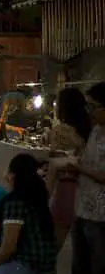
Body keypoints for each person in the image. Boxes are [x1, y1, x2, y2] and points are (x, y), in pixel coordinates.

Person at [67, 81, 105, 274]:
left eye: (94, 107)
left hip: (101, 215)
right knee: (79, 272)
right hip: (83, 208)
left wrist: (80, 169)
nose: (90, 112)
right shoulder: (96, 132)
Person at [46, 87, 91, 251]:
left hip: (66, 188)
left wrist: (45, 195)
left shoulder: (61, 132)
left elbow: (56, 165)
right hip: (87, 189)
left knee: (53, 244)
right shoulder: (90, 129)